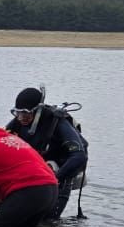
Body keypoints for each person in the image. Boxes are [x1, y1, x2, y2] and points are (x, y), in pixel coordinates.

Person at [5, 87, 88, 219]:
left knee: (47, 220)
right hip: (37, 170)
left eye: (26, 113)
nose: (21, 118)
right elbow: (1, 147)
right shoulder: (17, 123)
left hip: (61, 172)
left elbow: (79, 156)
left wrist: (55, 179)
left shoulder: (56, 122)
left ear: (38, 111)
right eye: (17, 113)